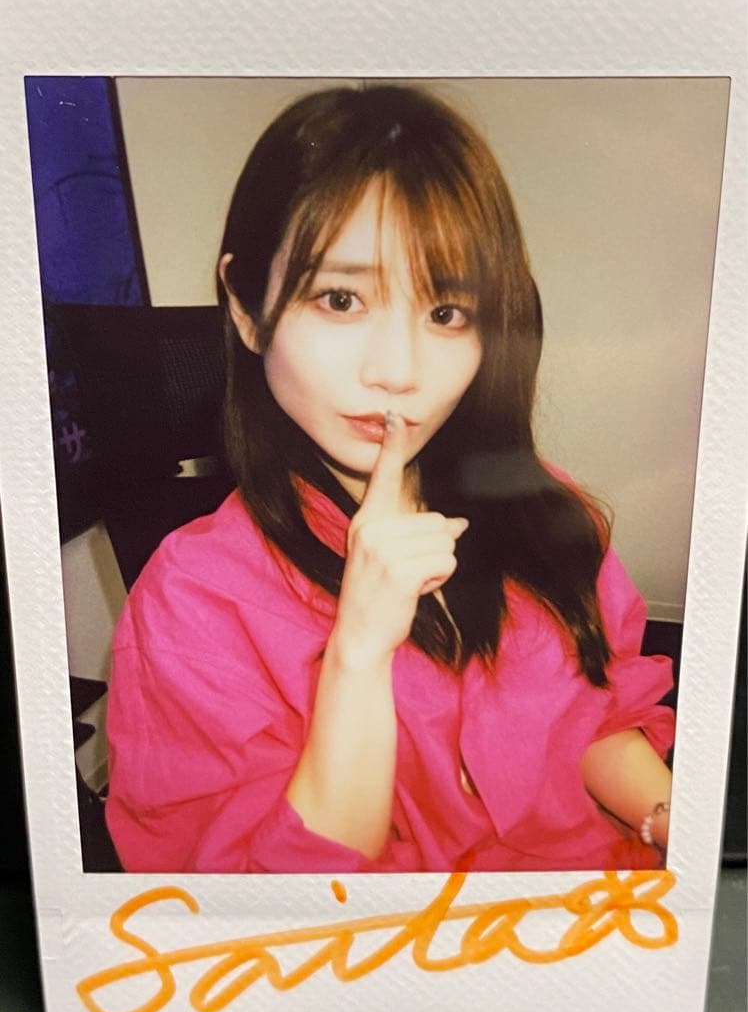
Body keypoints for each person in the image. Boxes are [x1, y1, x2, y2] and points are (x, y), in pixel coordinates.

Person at [105, 83, 674, 873]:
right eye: (341, 299)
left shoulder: (545, 508)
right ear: (245, 306)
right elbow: (277, 912)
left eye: (446, 313)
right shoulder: (193, 602)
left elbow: (594, 719)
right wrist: (359, 652)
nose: (399, 371)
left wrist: (674, 828)